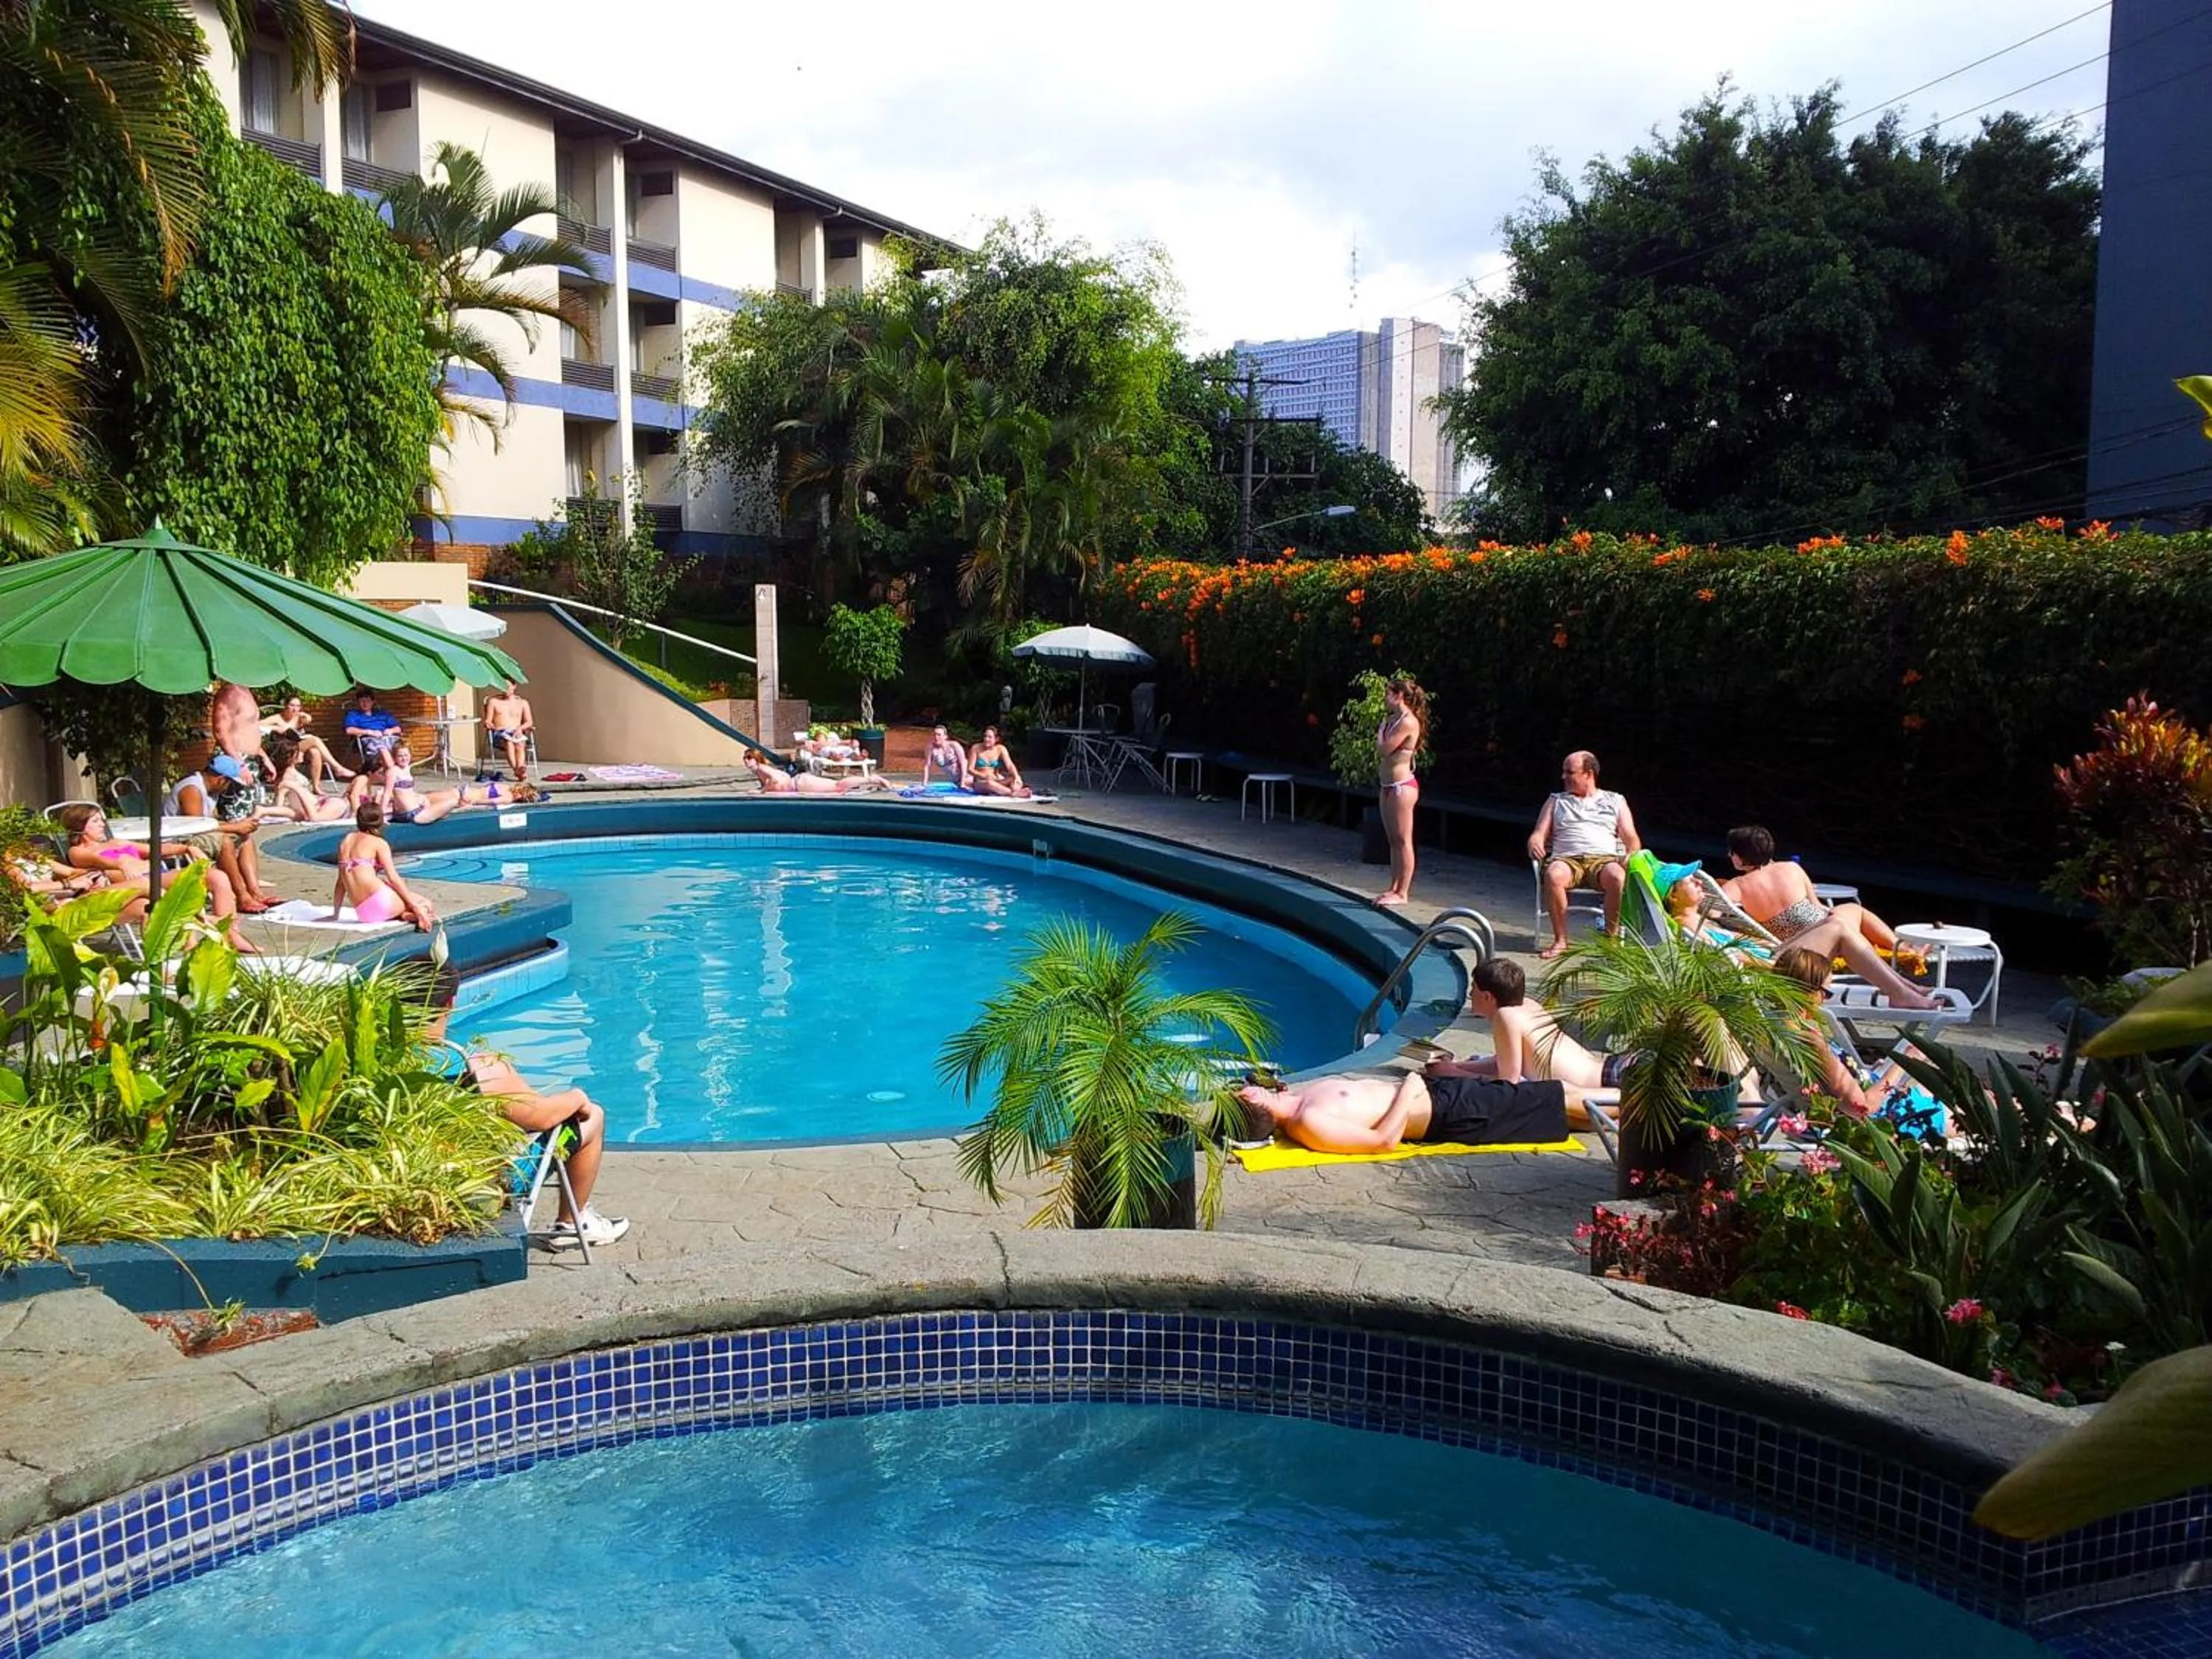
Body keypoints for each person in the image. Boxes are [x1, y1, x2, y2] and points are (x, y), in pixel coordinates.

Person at [1667, 874, 1939, 1010]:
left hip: (1774, 956)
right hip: (1774, 972)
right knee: (1838, 928)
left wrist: (1783, 944)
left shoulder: (1703, 922)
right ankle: (1899, 991)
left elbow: (1744, 944)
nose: (1700, 883)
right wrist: (1775, 959)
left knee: (1839, 917)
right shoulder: (1688, 928)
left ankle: (1902, 986)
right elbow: (1730, 959)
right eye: (1691, 882)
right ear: (1674, 897)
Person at [1772, 946, 1944, 1135]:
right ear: (1809, 992)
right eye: (1827, 993)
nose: (1825, 1000)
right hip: (1885, 1120)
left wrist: (1866, 1073)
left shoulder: (1774, 1029)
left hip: (1872, 1095)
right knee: (1959, 1106)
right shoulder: (1811, 1041)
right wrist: (1905, 1064)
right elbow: (1862, 1109)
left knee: (1939, 1091)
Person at [1236, 1068, 1581, 1156]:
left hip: (1439, 1094)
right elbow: (1381, 1142)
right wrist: (1409, 1090)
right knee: (1558, 1097)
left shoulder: (1298, 1098)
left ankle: (1612, 1105)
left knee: (1554, 1099)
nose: (1244, 1088)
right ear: (1255, 1107)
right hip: (1449, 1111)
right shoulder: (1307, 1123)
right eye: (1243, 1095)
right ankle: (1615, 1096)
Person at [56, 804, 257, 947]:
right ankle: (204, 928)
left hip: (155, 876)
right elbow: (99, 862)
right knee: (158, 900)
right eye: (95, 821)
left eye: (102, 820)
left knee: (217, 876)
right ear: (80, 826)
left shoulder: (116, 842)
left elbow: (153, 849)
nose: (102, 824)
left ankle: (230, 935)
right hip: (135, 886)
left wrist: (186, 848)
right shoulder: (77, 852)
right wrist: (121, 862)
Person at [1429, 959, 1620, 1091]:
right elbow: (1506, 1062)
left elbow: (1508, 1084)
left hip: (1607, 1087)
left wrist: (1453, 1073)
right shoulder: (1528, 1005)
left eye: (1473, 988)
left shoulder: (1506, 1016)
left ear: (1487, 997)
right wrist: (1457, 1067)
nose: (1470, 995)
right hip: (1611, 1069)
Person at [1719, 825, 1909, 958]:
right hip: (1823, 925)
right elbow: (1817, 905)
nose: (1729, 855)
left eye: (1732, 852)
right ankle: (1900, 948)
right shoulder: (1792, 867)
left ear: (1742, 856)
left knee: (1847, 913)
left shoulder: (1738, 886)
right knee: (1854, 909)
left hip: (1800, 942)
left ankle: (1898, 949)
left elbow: (1712, 913)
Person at [1528, 751, 1641, 958]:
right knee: (1553, 875)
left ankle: (1610, 941)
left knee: (1617, 876)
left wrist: (1632, 854)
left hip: (1603, 860)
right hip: (1567, 859)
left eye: (1569, 772)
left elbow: (1631, 837)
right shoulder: (1556, 801)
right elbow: (1539, 833)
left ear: (1588, 774)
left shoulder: (1615, 800)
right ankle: (1561, 940)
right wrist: (1535, 842)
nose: (1563, 777)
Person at [166, 755, 276, 911]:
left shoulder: (209, 791)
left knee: (245, 839)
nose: (228, 788)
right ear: (221, 780)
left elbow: (210, 822)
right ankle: (242, 896)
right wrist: (235, 827)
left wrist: (241, 826)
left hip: (192, 835)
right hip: (176, 841)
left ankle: (255, 892)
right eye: (229, 783)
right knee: (224, 842)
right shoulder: (192, 789)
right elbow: (196, 826)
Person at [371, 742, 545, 824]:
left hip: (461, 791)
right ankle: (383, 808)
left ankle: (385, 807)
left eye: (406, 755)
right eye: (400, 756)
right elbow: (488, 801)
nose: (404, 758)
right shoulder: (508, 795)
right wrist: (470, 805)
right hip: (423, 810)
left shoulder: (506, 787)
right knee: (438, 802)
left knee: (426, 798)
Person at [333, 801, 438, 930]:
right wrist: (414, 905)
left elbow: (341, 881)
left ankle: (405, 915)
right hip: (382, 903)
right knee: (424, 903)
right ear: (381, 821)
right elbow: (393, 878)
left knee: (398, 897)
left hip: (364, 913)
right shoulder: (378, 843)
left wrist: (335, 914)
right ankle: (414, 913)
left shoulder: (345, 842)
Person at [1375, 676, 1426, 908]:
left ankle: (1403, 892)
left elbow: (1385, 750)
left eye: (1388, 693)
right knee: (1393, 840)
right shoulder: (1394, 720)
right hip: (1387, 786)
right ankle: (1394, 887)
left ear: (1399, 696)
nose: (1385, 698)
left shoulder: (1408, 722)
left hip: (1402, 787)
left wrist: (1380, 732)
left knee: (1404, 840)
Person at [260, 695, 355, 790]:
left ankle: (316, 787)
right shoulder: (277, 718)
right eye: (292, 705)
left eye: (298, 706)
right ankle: (337, 768)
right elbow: (258, 724)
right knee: (315, 740)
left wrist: (306, 718)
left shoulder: (299, 717)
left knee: (315, 752)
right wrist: (276, 728)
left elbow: (309, 719)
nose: (295, 709)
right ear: (286, 706)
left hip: (298, 747)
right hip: (284, 750)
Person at [262, 731, 355, 823]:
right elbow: (279, 801)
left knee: (315, 752)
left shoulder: (292, 772)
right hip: (313, 807)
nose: (302, 754)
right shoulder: (286, 778)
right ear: (292, 757)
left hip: (315, 804)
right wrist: (277, 810)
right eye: (299, 752)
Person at [743, 748, 891, 795]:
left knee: (838, 786)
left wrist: (761, 791)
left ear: (756, 759)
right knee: (837, 787)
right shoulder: (760, 771)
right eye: (745, 758)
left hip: (799, 784)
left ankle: (872, 779)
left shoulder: (762, 768)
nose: (746, 760)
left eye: (749, 758)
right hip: (798, 783)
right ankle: (870, 780)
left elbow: (775, 780)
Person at [481, 680, 534, 782]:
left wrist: (520, 729)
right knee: (509, 742)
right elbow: (488, 720)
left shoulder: (523, 703)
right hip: (500, 733)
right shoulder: (494, 701)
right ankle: (517, 770)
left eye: (508, 687)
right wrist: (488, 724)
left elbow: (529, 722)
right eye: (502, 686)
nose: (505, 689)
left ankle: (520, 769)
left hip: (516, 732)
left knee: (520, 743)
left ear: (514, 686)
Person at [343, 689, 403, 777]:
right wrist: (369, 732)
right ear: (358, 702)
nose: (365, 703)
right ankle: (394, 775)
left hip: (387, 738)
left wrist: (391, 731)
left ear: (373, 702)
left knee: (400, 746)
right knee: (382, 748)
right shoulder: (353, 715)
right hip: (369, 739)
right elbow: (349, 730)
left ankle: (389, 773)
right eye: (362, 701)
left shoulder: (382, 714)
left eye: (368, 701)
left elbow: (398, 729)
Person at [966, 726, 1033, 798]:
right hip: (981, 782)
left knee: (1016, 778)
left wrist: (1016, 776)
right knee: (989, 783)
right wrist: (984, 776)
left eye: (990, 737)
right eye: (985, 736)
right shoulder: (976, 748)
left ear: (997, 739)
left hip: (996, 780)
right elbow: (970, 769)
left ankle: (1013, 789)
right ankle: (1013, 793)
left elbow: (1010, 765)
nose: (986, 739)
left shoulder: (1000, 749)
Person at [922, 724, 970, 789]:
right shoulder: (931, 748)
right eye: (935, 734)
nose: (936, 737)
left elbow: (964, 762)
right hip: (956, 782)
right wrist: (924, 783)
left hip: (968, 777)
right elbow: (927, 766)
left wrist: (963, 783)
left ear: (945, 736)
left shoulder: (954, 745)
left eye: (939, 735)